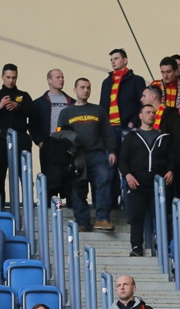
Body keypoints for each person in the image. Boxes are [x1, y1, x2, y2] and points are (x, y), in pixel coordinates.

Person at [58, 77, 118, 232]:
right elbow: (60, 136)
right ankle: (83, 222)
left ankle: (103, 218)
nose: (86, 90)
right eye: (82, 87)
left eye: (88, 88)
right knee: (78, 189)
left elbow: (108, 133)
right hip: (77, 157)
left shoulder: (98, 110)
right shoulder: (65, 113)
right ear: (75, 90)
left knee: (103, 182)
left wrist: (112, 151)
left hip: (97, 154)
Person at [119, 103, 177, 256]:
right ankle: (136, 247)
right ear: (140, 116)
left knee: (161, 217)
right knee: (136, 217)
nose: (151, 115)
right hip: (137, 183)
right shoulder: (131, 137)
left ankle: (163, 247)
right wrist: (128, 175)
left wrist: (170, 170)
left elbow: (172, 158)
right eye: (147, 112)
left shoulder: (164, 137)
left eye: (153, 112)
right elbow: (122, 160)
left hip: (159, 185)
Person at [100, 49, 147, 210]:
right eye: (111, 59)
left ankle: (129, 204)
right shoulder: (107, 82)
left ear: (125, 60)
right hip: (110, 130)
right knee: (110, 166)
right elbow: (102, 106)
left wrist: (133, 123)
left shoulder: (136, 80)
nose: (113, 62)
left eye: (116, 58)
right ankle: (112, 205)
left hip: (128, 128)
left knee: (129, 165)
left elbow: (141, 104)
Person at [0, 64, 37, 195]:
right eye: (8, 77)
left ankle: (27, 204)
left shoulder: (24, 95)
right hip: (1, 139)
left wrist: (18, 106)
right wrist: (0, 106)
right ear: (2, 77)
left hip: (21, 138)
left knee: (24, 173)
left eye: (14, 78)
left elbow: (33, 113)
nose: (11, 81)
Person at [34, 69, 74, 148]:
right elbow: (33, 125)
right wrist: (39, 142)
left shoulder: (72, 101)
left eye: (62, 77)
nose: (61, 80)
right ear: (49, 80)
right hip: (49, 143)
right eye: (58, 77)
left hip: (68, 142)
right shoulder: (39, 103)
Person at [150, 57, 180, 126]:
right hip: (157, 127)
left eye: (168, 72)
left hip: (178, 128)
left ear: (176, 71)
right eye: (163, 72)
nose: (165, 76)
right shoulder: (154, 85)